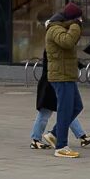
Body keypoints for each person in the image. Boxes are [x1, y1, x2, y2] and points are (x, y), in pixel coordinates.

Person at [45, 2, 90, 157]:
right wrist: (75, 26)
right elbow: (67, 42)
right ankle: (61, 147)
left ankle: (54, 134)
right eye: (78, 19)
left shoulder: (61, 27)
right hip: (61, 76)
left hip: (67, 75)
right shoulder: (54, 29)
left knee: (76, 107)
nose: (80, 22)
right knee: (65, 110)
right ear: (73, 18)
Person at [28, 18, 62, 150]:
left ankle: (81, 135)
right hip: (49, 83)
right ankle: (36, 139)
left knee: (66, 109)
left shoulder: (51, 42)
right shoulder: (51, 44)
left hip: (51, 82)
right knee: (47, 113)